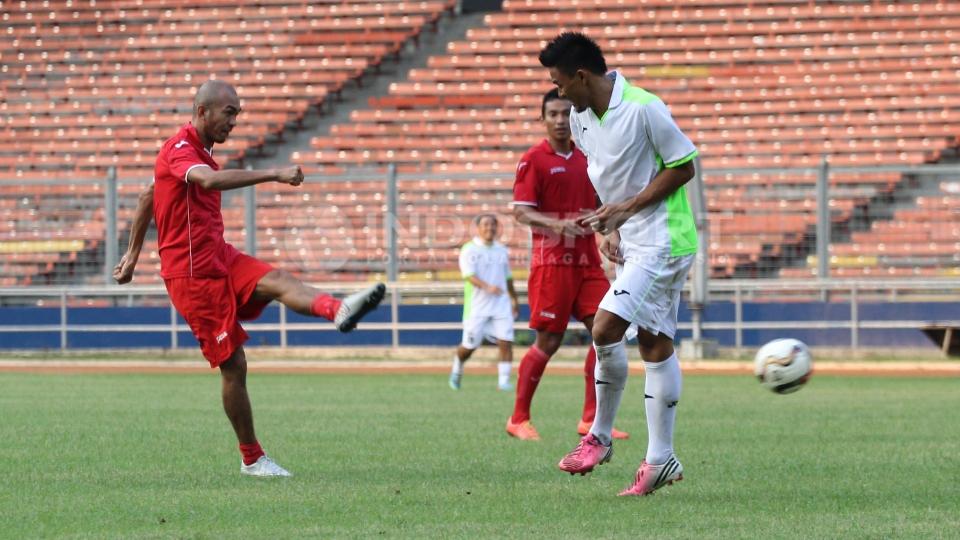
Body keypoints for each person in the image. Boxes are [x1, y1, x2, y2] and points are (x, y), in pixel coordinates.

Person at [113, 80, 386, 477]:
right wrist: (273, 174)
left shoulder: (198, 151)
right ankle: (252, 458)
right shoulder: (180, 149)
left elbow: (146, 197)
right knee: (233, 365)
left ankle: (338, 309)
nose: (235, 121)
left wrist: (133, 255)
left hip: (218, 255)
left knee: (276, 279)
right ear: (203, 111)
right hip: (191, 272)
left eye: (237, 113)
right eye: (229, 112)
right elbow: (203, 181)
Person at [540, 32, 699, 496]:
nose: (558, 92)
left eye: (560, 82)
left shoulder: (645, 107)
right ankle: (660, 459)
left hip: (666, 241)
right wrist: (612, 227)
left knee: (605, 328)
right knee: (653, 343)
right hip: (634, 241)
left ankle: (600, 436)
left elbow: (684, 165)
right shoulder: (580, 116)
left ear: (582, 76)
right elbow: (603, 175)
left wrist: (626, 208)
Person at [506, 89, 630, 442]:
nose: (560, 120)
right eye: (553, 114)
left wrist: (612, 233)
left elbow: (602, 205)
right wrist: (556, 224)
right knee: (549, 339)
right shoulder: (534, 159)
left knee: (607, 332)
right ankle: (518, 418)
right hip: (552, 263)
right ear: (543, 119)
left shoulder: (586, 159)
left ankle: (591, 419)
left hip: (588, 262)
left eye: (565, 113)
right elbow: (520, 210)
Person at [448, 214, 519, 391]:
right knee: (470, 346)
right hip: (477, 306)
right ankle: (457, 367)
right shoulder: (469, 249)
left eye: (493, 225)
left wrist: (514, 298)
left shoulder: (501, 250)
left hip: (500, 304)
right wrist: (488, 287)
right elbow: (468, 276)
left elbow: (508, 277)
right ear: (478, 228)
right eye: (485, 224)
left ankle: (503, 382)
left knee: (506, 342)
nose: (490, 228)